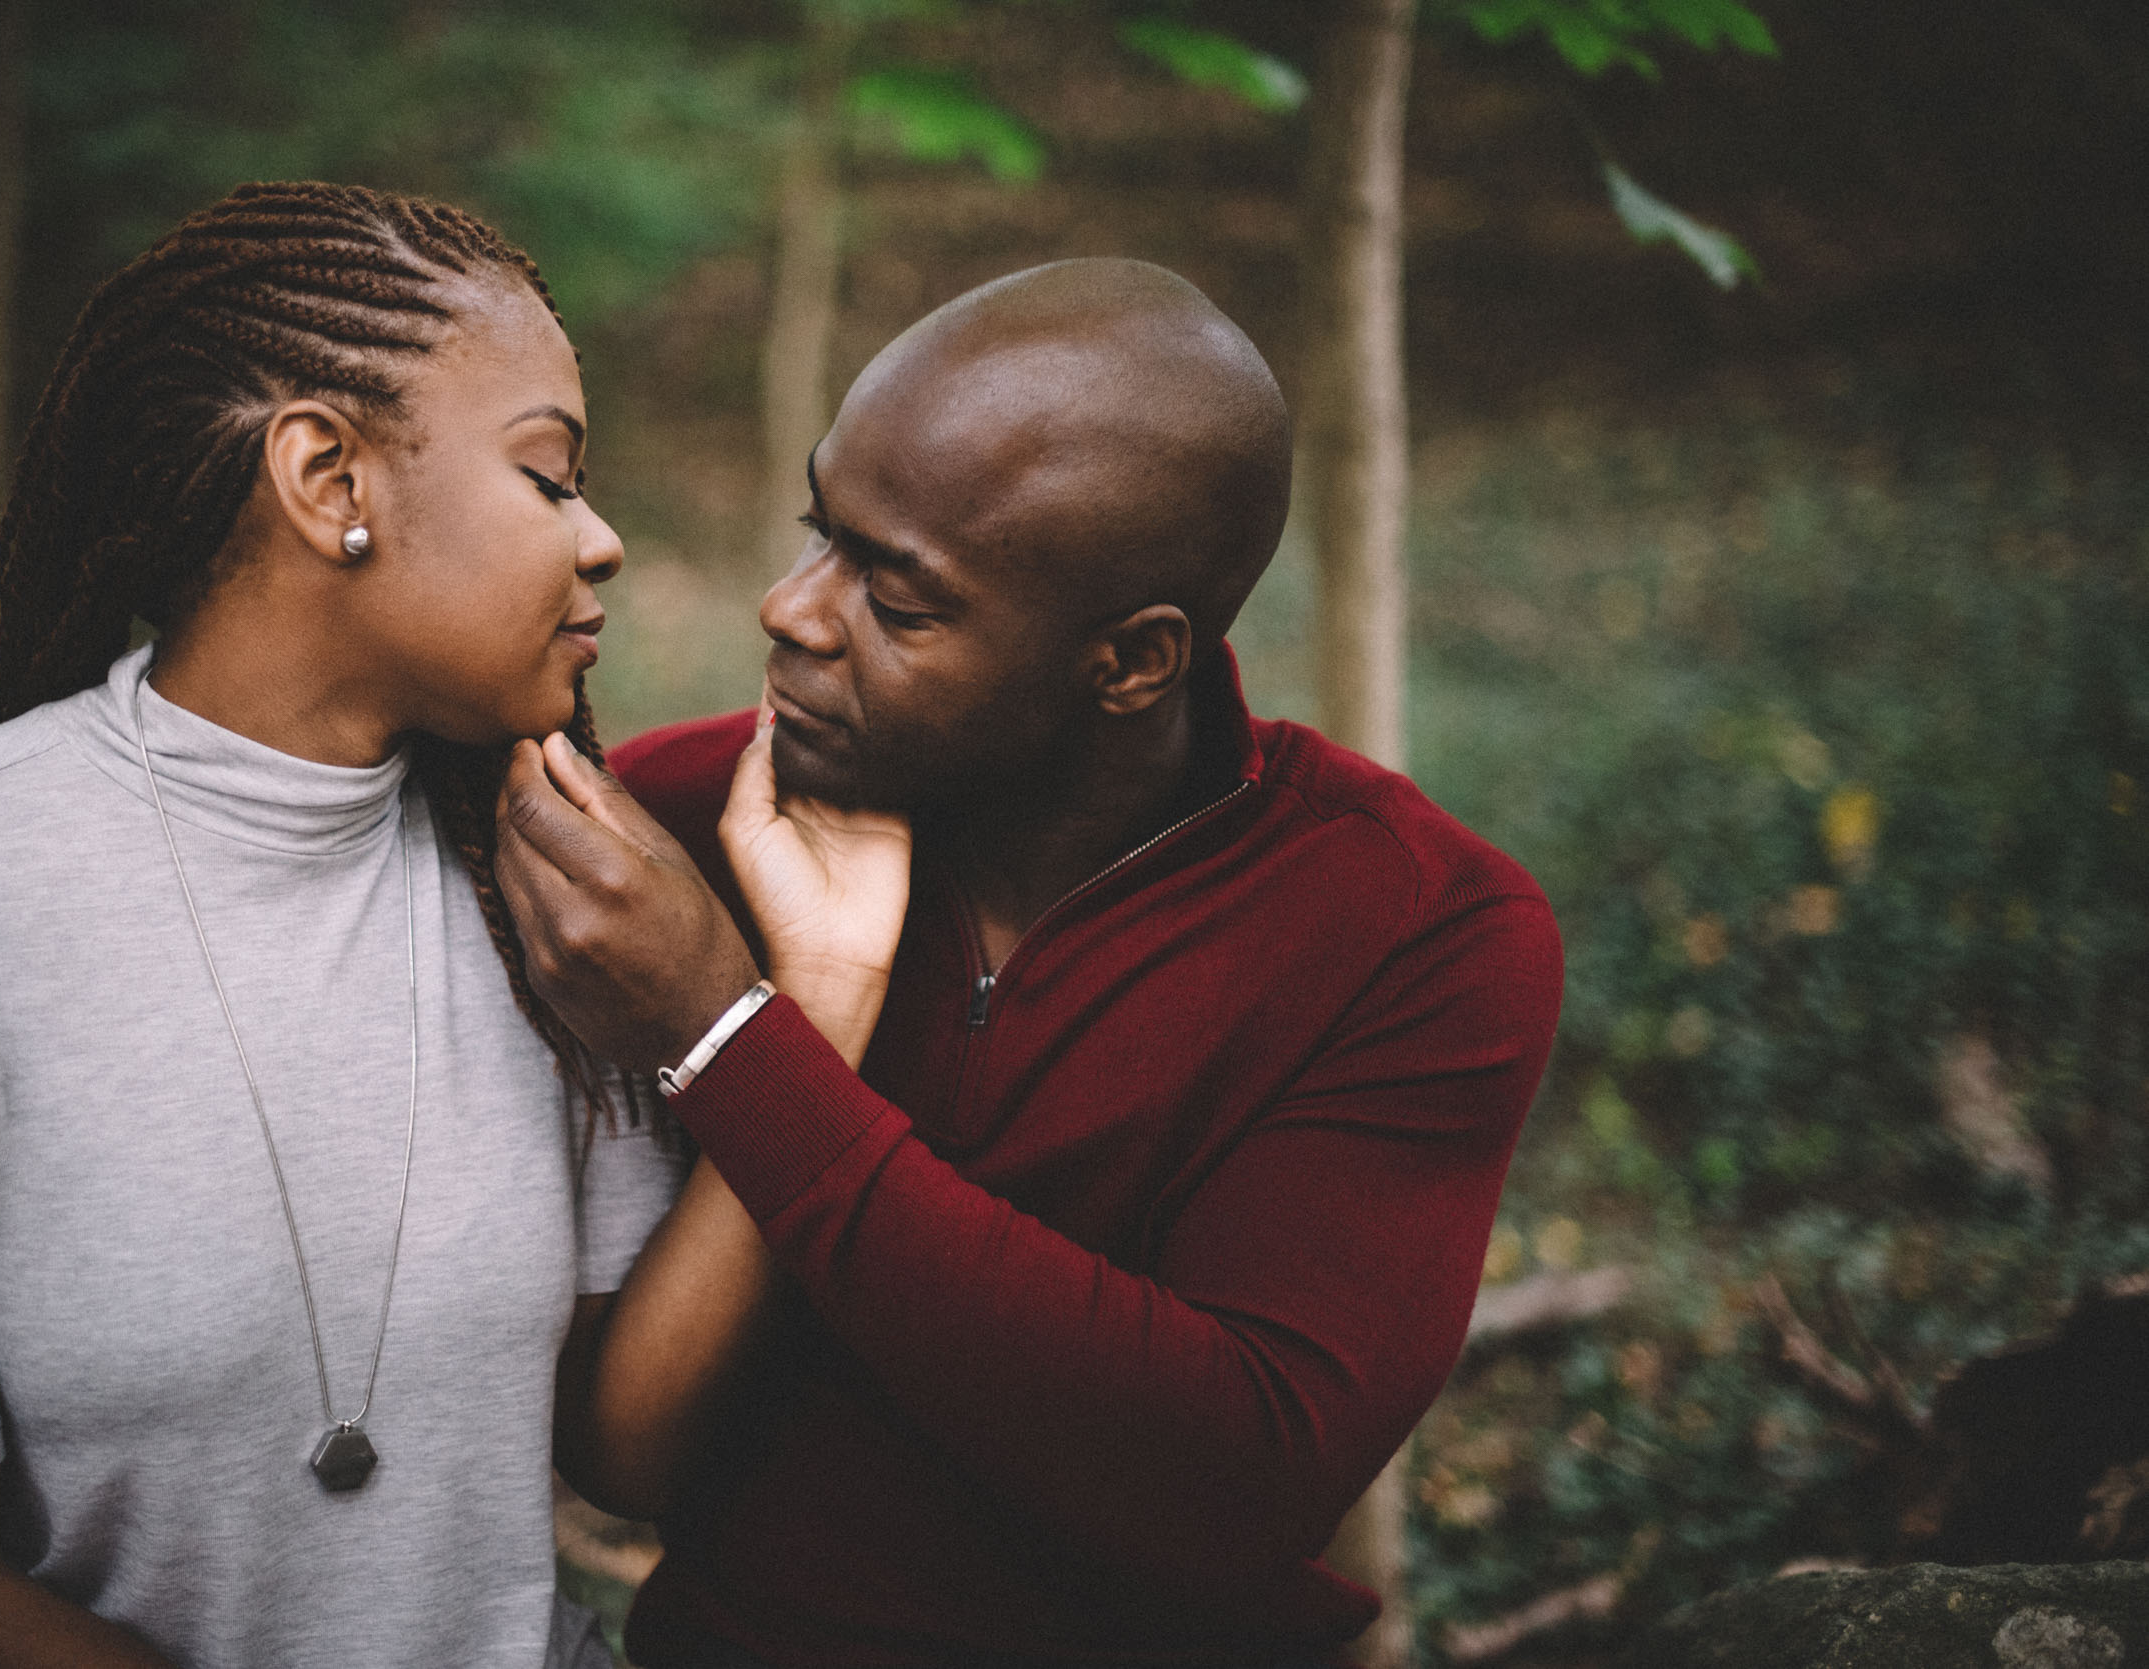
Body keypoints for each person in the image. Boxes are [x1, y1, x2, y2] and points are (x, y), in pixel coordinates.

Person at [0, 181, 891, 1669]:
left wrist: (818, 1001)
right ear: (329, 479)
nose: (599, 539)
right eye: (549, 475)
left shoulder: (546, 885)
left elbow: (628, 1450)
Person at [491, 258, 1568, 1668]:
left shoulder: (1416, 930)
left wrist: (734, 1036)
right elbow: (605, 1429)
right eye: (824, 529)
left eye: (899, 597)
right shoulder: (674, 834)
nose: (792, 609)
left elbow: (1233, 1467)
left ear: (1130, 662)